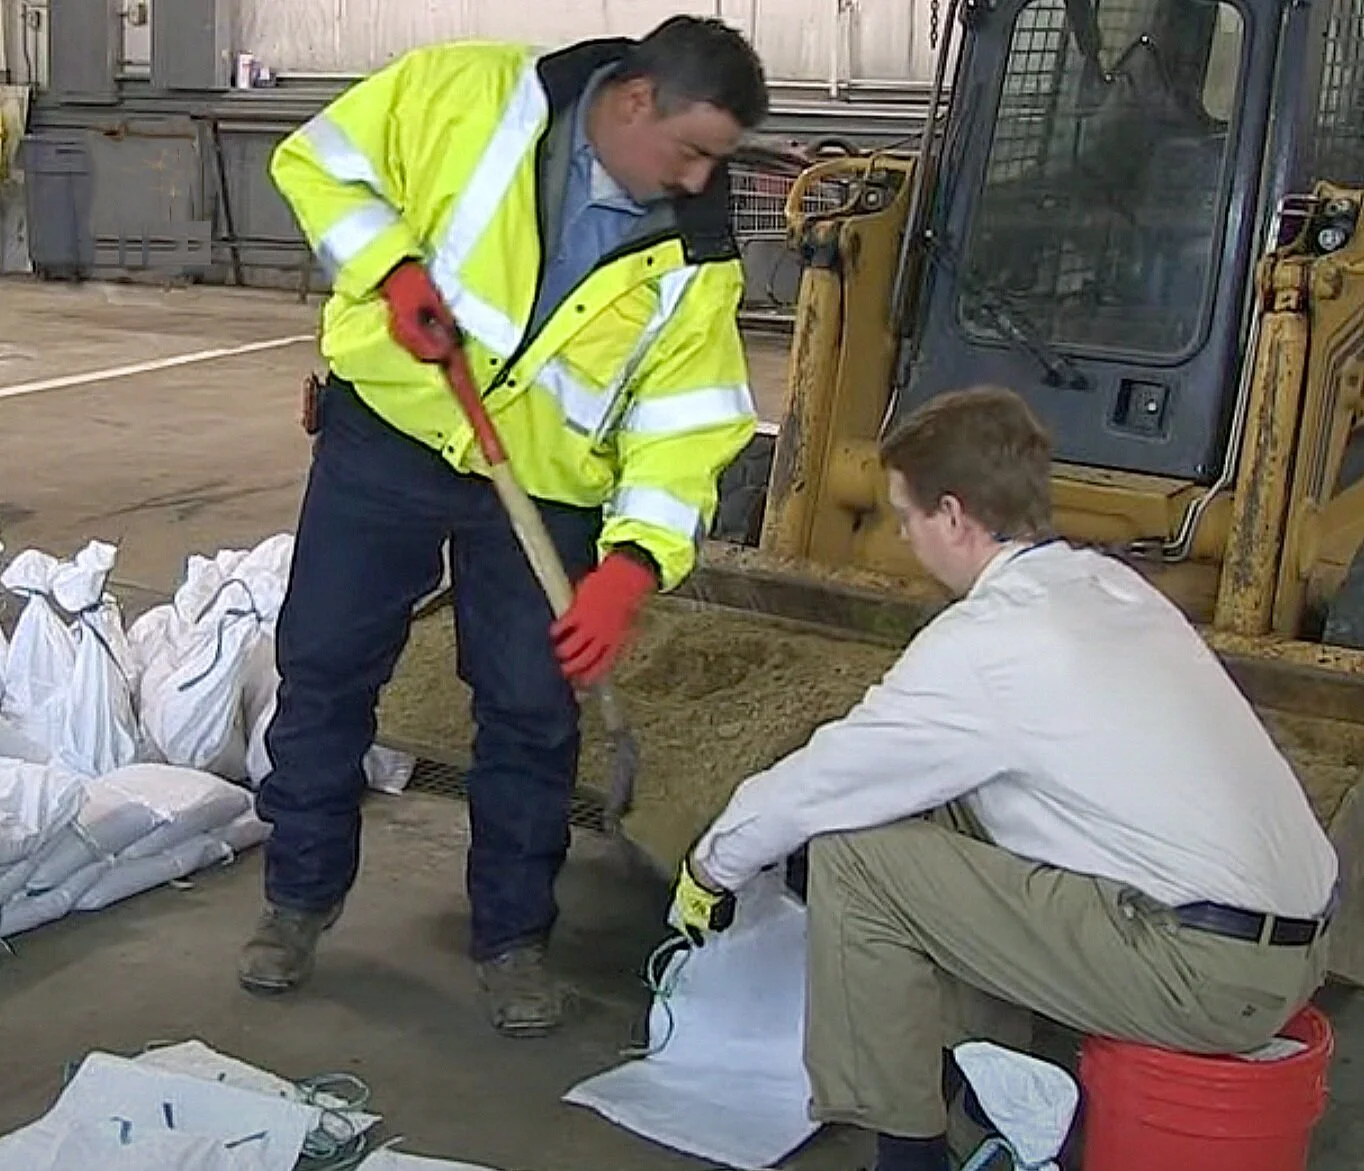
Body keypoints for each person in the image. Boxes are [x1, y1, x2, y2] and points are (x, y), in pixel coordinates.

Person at [241, 16, 768, 1038]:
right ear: (633, 101)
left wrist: (631, 564)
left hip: (544, 490)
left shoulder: (697, 257)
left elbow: (684, 427)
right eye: (691, 151)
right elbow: (319, 161)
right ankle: (296, 900)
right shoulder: (466, 95)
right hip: (390, 431)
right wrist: (391, 269)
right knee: (325, 668)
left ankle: (512, 938)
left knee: (530, 713)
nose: (701, 179)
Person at [669, 385, 1339, 1171]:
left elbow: (827, 781)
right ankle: (991, 1101)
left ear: (953, 516)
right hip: (1293, 942)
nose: (905, 534)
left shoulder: (986, 643)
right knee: (948, 801)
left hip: (1205, 973)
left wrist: (711, 867)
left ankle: (909, 1155)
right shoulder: (1108, 587)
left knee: (855, 859)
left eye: (907, 515)